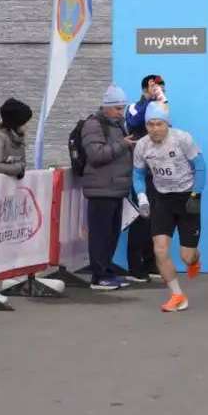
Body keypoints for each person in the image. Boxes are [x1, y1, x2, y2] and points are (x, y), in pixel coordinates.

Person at [132, 102, 205, 312]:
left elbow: (200, 167)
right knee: (160, 250)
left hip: (186, 198)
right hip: (162, 199)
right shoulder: (142, 145)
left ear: (167, 124)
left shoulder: (182, 139)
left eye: (159, 124)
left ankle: (195, 259)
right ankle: (177, 295)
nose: (155, 129)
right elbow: (137, 174)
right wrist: (142, 198)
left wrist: (196, 194)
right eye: (151, 124)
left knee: (186, 256)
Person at [81, 85, 136, 291]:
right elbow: (95, 155)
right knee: (100, 234)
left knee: (112, 234)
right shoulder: (93, 125)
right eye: (118, 109)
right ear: (107, 107)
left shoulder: (118, 125)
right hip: (101, 189)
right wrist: (123, 144)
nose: (121, 113)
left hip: (116, 188)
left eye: (122, 108)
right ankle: (98, 276)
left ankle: (105, 270)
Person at [126, 74, 166, 139]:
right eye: (156, 90)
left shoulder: (162, 108)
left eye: (163, 91)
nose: (161, 94)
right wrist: (151, 100)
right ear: (145, 90)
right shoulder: (132, 107)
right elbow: (134, 123)